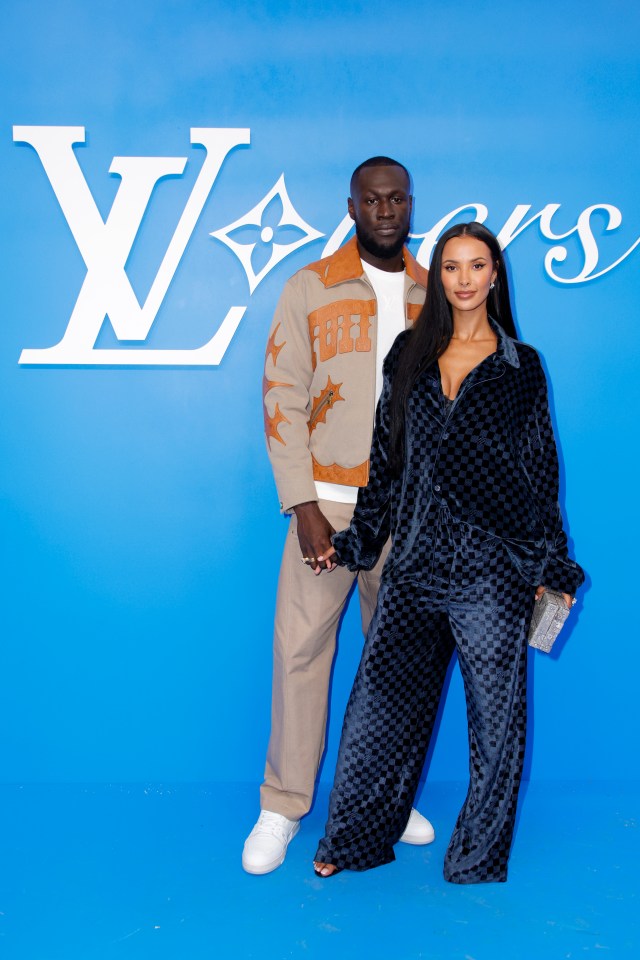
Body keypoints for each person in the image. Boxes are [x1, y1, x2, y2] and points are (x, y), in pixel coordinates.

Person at [313, 221, 585, 883]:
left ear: (495, 275)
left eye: (477, 265)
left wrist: (554, 566)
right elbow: (386, 463)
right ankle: (350, 842)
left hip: (492, 572)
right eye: (452, 266)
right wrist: (360, 541)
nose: (464, 279)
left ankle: (476, 857)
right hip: (414, 565)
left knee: (497, 722)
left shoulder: (523, 367)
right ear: (438, 277)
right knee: (379, 705)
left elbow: (541, 471)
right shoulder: (408, 352)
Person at [243, 158, 435, 875]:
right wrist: (303, 506)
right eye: (371, 199)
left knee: (398, 666)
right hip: (327, 508)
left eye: (397, 198)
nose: (385, 209)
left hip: (410, 517)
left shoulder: (433, 293)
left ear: (410, 205)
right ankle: (284, 804)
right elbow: (281, 394)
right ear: (351, 207)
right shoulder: (310, 286)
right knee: (299, 655)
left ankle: (384, 798)